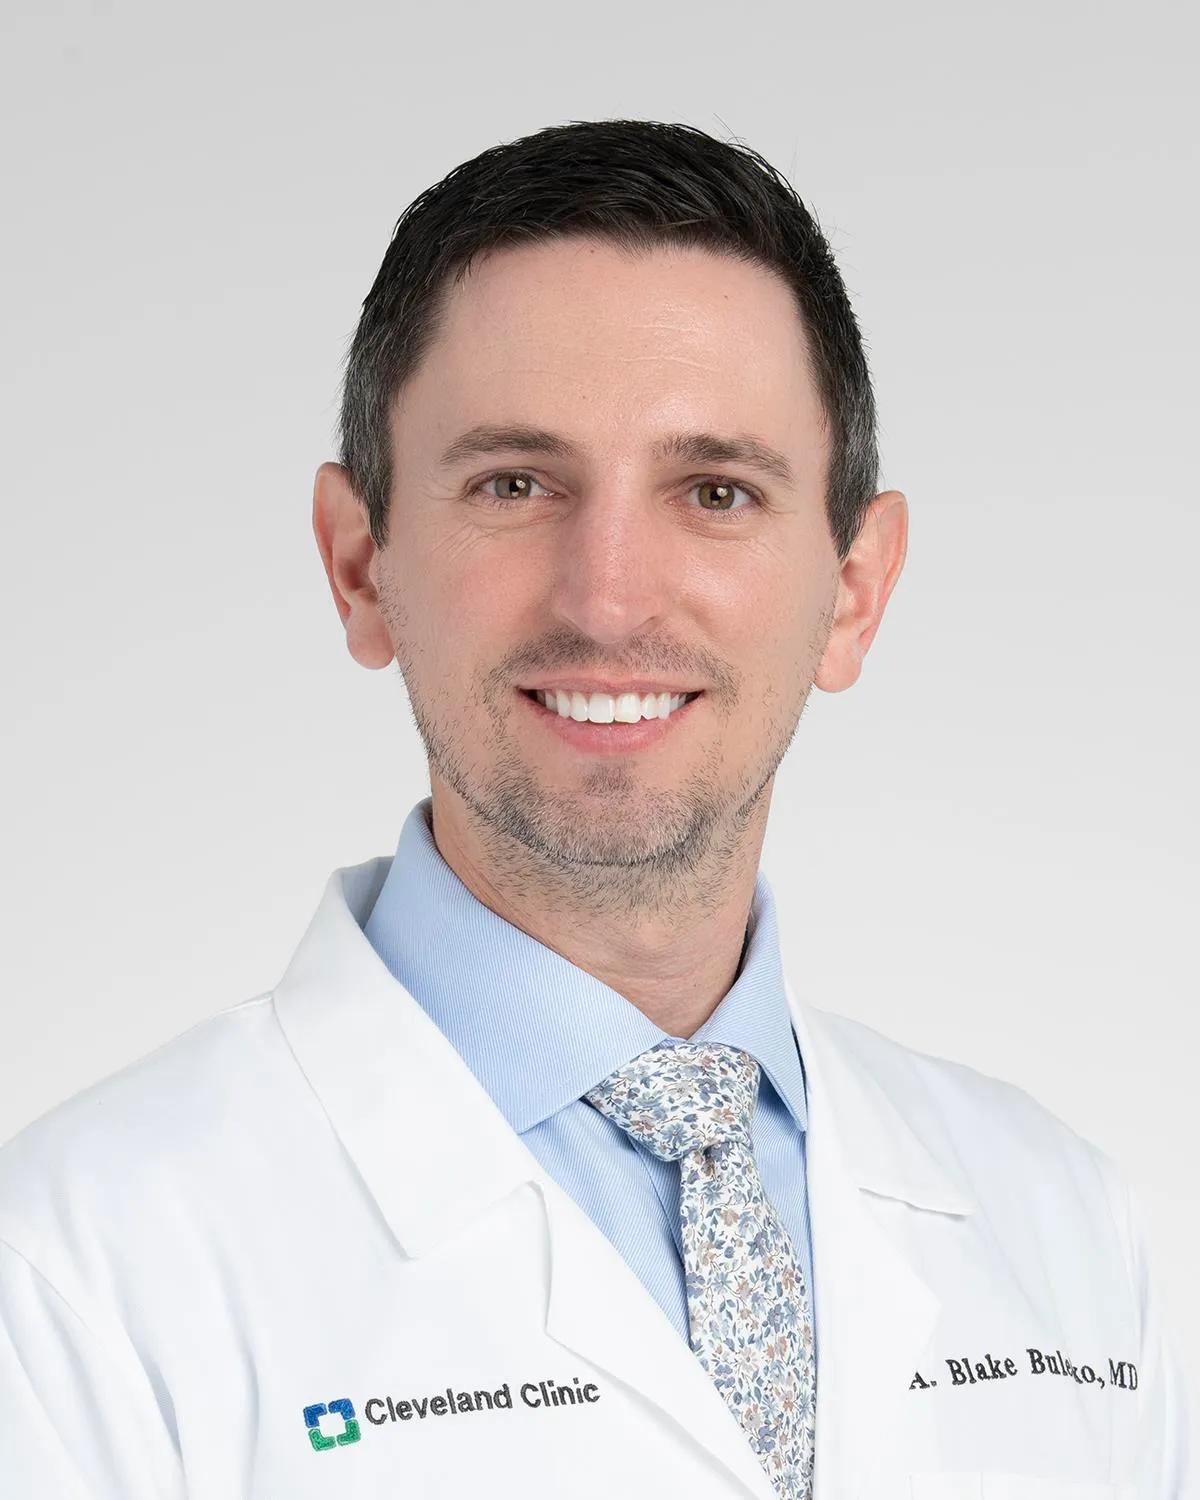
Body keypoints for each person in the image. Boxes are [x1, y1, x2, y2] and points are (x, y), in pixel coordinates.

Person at [0, 119, 1189, 1500]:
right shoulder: (77, 1273)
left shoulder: (1068, 1230)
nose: (609, 597)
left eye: (716, 492)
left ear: (854, 594)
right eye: (514, 484)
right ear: (359, 565)